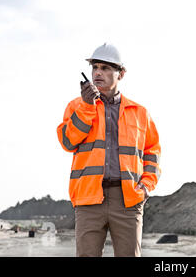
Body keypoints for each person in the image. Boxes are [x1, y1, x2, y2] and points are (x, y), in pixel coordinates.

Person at [56, 43, 161, 257]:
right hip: (88, 199)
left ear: (120, 74)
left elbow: (153, 152)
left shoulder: (140, 112)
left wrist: (146, 185)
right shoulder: (77, 106)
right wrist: (87, 106)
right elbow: (68, 142)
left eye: (105, 68)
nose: (98, 73)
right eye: (95, 67)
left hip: (128, 199)